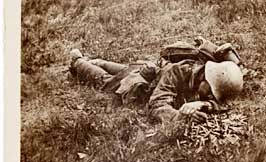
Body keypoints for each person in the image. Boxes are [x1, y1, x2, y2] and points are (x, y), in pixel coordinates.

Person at [69, 39, 244, 137]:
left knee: (124, 70)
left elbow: (224, 102)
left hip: (151, 70)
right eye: (211, 92)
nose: (210, 97)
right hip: (144, 83)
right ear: (207, 78)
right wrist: (180, 116)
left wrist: (202, 105)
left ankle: (98, 62)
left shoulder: (215, 75)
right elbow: (156, 104)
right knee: (107, 83)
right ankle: (78, 62)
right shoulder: (179, 72)